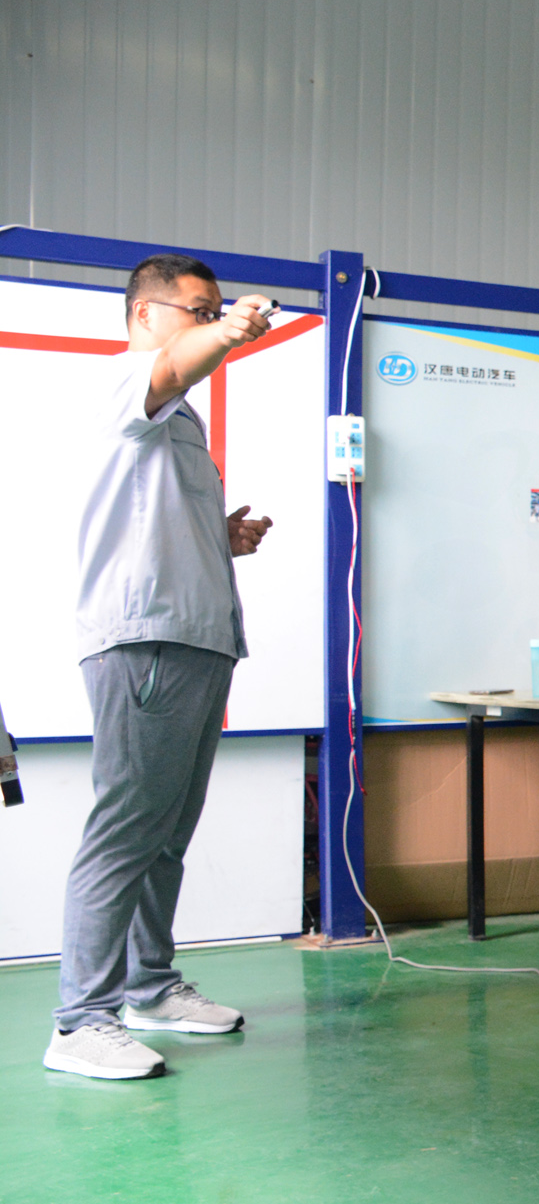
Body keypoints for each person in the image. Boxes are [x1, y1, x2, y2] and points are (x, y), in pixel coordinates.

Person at [46, 255, 277, 1081]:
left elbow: (149, 525)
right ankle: (80, 1020)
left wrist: (222, 537)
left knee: (167, 834)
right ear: (146, 314)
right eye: (198, 309)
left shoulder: (180, 419)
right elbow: (180, 362)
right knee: (126, 830)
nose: (211, 321)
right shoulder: (126, 381)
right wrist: (232, 327)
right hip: (145, 642)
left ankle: (147, 985)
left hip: (198, 640)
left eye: (217, 310)